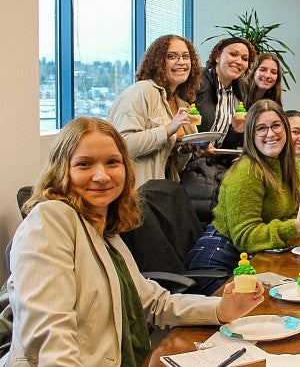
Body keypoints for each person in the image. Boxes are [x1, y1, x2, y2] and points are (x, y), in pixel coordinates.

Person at [4, 117, 263, 365]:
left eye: (112, 162)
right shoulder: (51, 219)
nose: (101, 175)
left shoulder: (103, 229)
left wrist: (223, 309)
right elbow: (49, 336)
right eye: (84, 164)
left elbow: (155, 302)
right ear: (62, 170)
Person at [184, 99, 300, 295]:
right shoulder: (248, 171)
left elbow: (291, 213)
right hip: (219, 264)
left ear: (285, 129)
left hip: (252, 256)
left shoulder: (288, 164)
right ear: (251, 135)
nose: (271, 134)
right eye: (261, 128)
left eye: (276, 126)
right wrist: (296, 226)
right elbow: (245, 237)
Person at [107, 34, 202, 187]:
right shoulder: (142, 91)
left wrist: (185, 150)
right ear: (157, 62)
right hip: (136, 192)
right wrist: (168, 130)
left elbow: (168, 163)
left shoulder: (180, 102)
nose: (181, 62)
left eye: (186, 56)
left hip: (162, 190)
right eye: (172, 56)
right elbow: (120, 144)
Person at [180, 37, 256, 223]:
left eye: (244, 58)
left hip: (214, 162)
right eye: (233, 54)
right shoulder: (199, 82)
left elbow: (222, 142)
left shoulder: (238, 95)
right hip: (189, 162)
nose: (238, 61)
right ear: (217, 56)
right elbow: (183, 120)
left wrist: (236, 131)